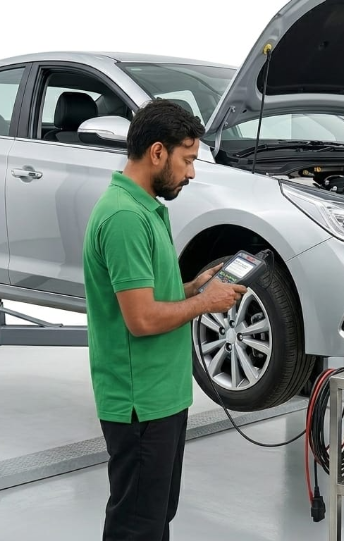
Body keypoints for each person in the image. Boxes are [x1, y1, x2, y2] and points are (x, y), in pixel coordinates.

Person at [83, 99, 247, 541]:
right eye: (187, 159)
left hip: (162, 397)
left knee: (155, 520)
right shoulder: (124, 217)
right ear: (158, 152)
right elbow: (141, 319)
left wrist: (192, 287)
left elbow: (147, 295)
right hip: (140, 403)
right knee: (137, 527)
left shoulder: (145, 209)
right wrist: (205, 303)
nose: (191, 173)